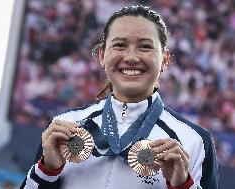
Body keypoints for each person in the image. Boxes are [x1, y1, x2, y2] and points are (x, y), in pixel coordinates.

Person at [20, 5, 218, 189]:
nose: (131, 57)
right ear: (102, 56)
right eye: (120, 45)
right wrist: (47, 171)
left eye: (145, 47)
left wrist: (183, 186)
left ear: (165, 59)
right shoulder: (63, 126)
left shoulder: (195, 141)